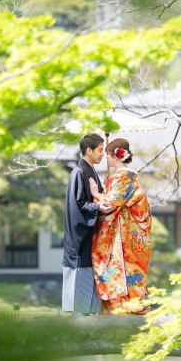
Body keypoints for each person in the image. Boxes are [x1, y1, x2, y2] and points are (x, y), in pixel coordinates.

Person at [90, 138, 153, 315]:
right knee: (128, 268)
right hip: (132, 234)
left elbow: (111, 204)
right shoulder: (125, 178)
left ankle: (123, 304)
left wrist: (96, 194)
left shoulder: (123, 178)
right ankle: (128, 303)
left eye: (108, 155)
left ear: (116, 156)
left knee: (117, 266)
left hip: (123, 236)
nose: (106, 159)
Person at [62, 133, 115, 315]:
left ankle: (86, 315)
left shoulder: (90, 171)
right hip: (81, 235)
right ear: (88, 150)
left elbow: (92, 198)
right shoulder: (79, 173)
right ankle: (78, 315)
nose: (102, 154)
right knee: (80, 272)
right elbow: (79, 204)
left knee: (90, 274)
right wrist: (98, 206)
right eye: (100, 150)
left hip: (90, 233)